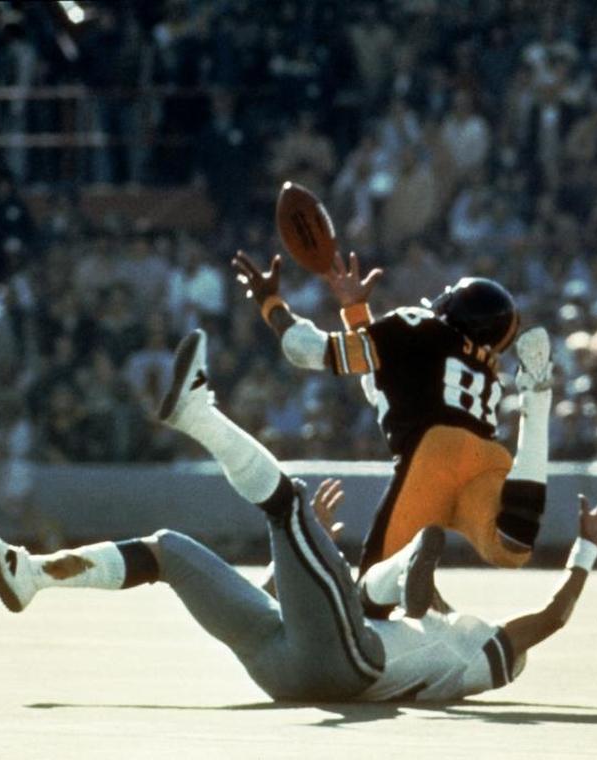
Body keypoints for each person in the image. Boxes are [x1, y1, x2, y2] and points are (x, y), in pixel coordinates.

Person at [0, 329, 597, 702]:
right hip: (286, 660)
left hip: (347, 665)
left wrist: (587, 550)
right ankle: (31, 576)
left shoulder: (479, 655)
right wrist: (309, 554)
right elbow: (333, 594)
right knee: (168, 549)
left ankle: (198, 414)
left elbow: (479, 577)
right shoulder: (443, 635)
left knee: (286, 500)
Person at [231, 251, 554, 597]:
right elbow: (381, 387)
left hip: (434, 454)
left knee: (371, 598)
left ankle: (405, 569)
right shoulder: (486, 369)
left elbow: (304, 348)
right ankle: (536, 401)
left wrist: (271, 304)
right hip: (489, 455)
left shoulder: (415, 324)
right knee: (509, 546)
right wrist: (356, 313)